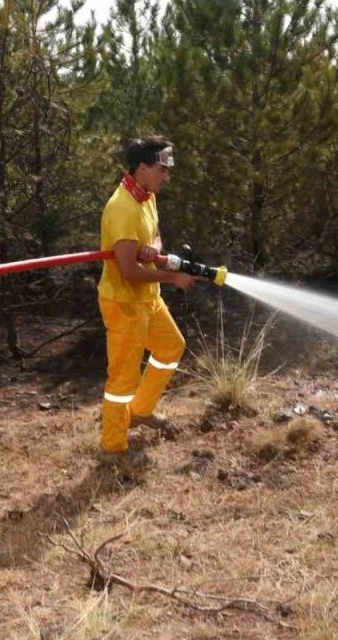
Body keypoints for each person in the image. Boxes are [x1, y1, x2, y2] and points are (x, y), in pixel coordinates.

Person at [97, 136, 198, 469]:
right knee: (122, 381)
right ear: (142, 168)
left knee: (171, 347)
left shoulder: (147, 196)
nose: (166, 177)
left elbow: (154, 235)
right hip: (124, 303)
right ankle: (113, 447)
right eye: (162, 170)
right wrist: (173, 278)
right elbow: (128, 271)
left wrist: (154, 249)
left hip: (147, 298)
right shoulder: (122, 208)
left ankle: (140, 411)